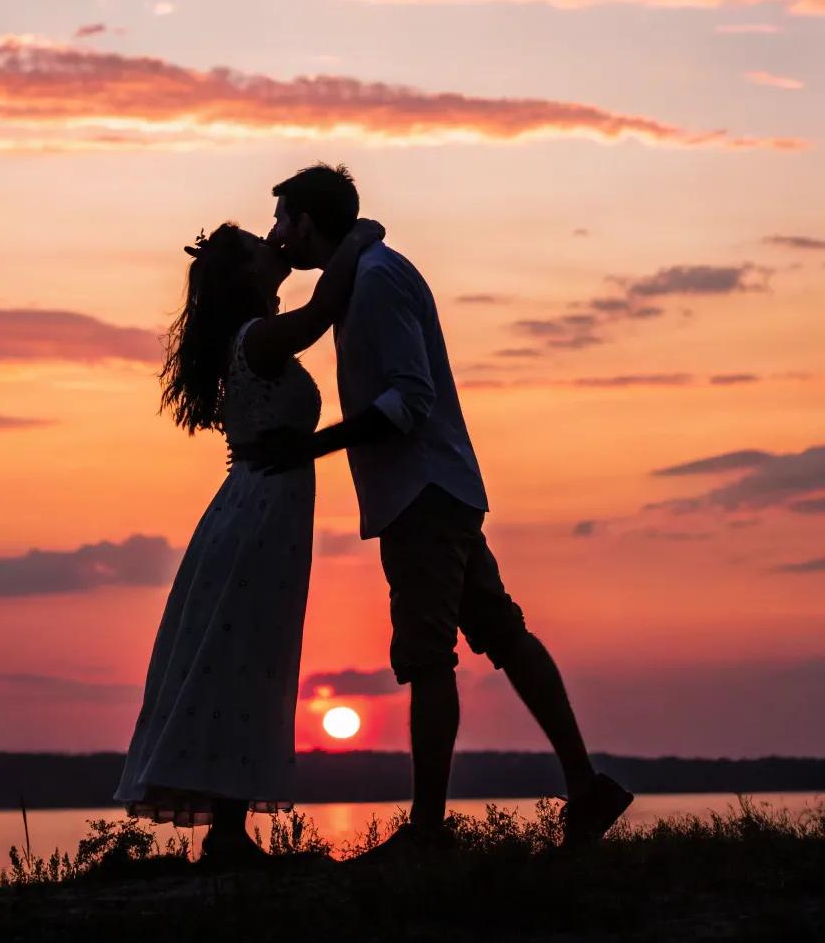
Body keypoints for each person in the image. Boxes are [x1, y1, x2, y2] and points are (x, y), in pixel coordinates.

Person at [247, 164, 632, 858]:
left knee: (427, 659)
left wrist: (311, 446)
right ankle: (588, 789)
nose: (276, 235)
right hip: (434, 490)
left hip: (422, 495)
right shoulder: (363, 276)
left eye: (281, 221)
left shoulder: (377, 280)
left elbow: (409, 399)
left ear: (307, 221)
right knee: (504, 634)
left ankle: (428, 831)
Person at [114, 215, 383, 867]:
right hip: (259, 515)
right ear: (246, 276)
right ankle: (228, 834)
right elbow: (321, 313)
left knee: (248, 657)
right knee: (243, 656)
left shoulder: (253, 338)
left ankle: (229, 831)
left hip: (261, 513)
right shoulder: (257, 338)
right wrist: (357, 236)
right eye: (263, 247)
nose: (277, 245)